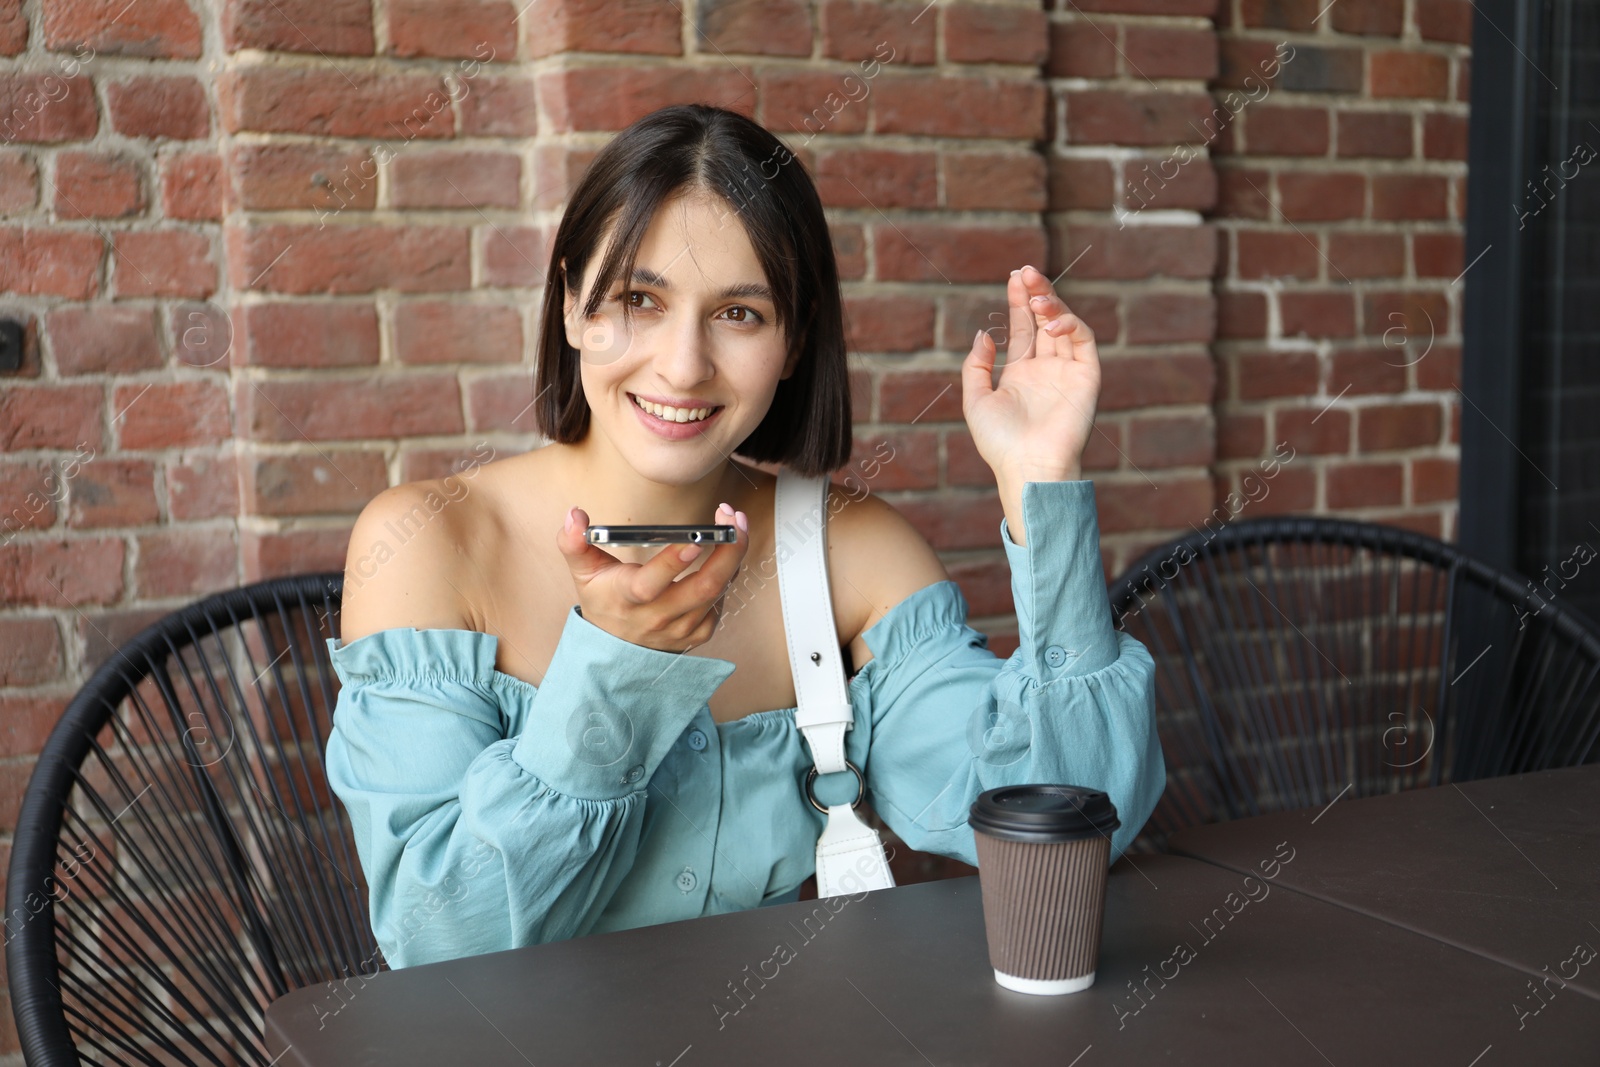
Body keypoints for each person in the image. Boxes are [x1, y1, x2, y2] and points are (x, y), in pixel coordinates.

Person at [324, 103, 1164, 970]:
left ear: (795, 340)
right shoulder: (429, 543)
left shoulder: (850, 552)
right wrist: (608, 681)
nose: (684, 365)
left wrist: (1043, 485)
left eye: (739, 314)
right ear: (573, 304)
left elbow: (1070, 817)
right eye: (639, 300)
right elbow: (435, 938)